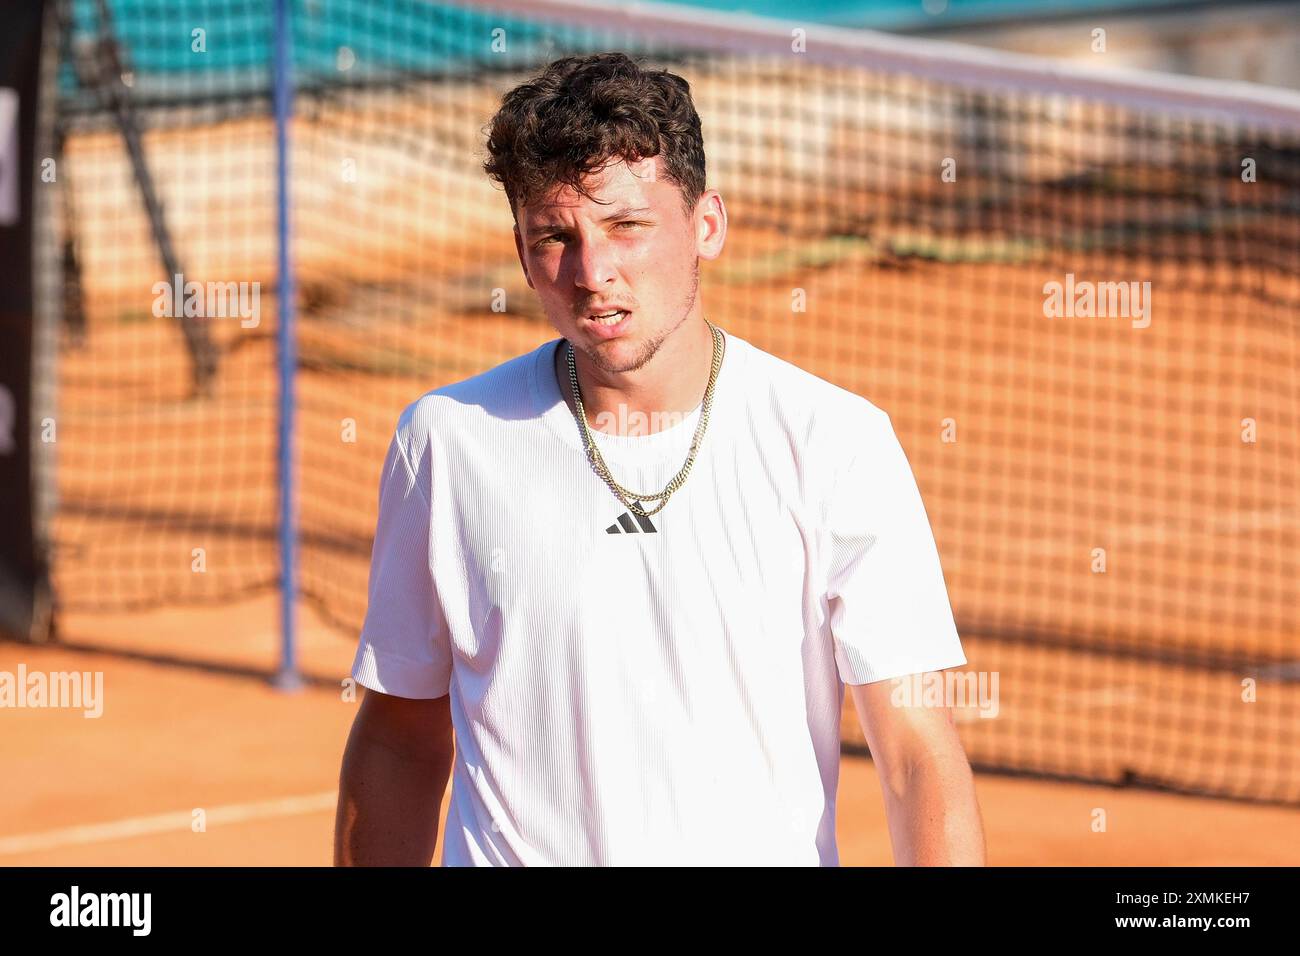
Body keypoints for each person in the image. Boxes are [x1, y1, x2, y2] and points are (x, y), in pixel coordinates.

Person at [334, 51, 985, 866]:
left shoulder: (836, 443)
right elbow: (399, 737)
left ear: (706, 224)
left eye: (627, 226)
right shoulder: (446, 441)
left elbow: (917, 756)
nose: (592, 273)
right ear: (522, 254)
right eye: (555, 237)